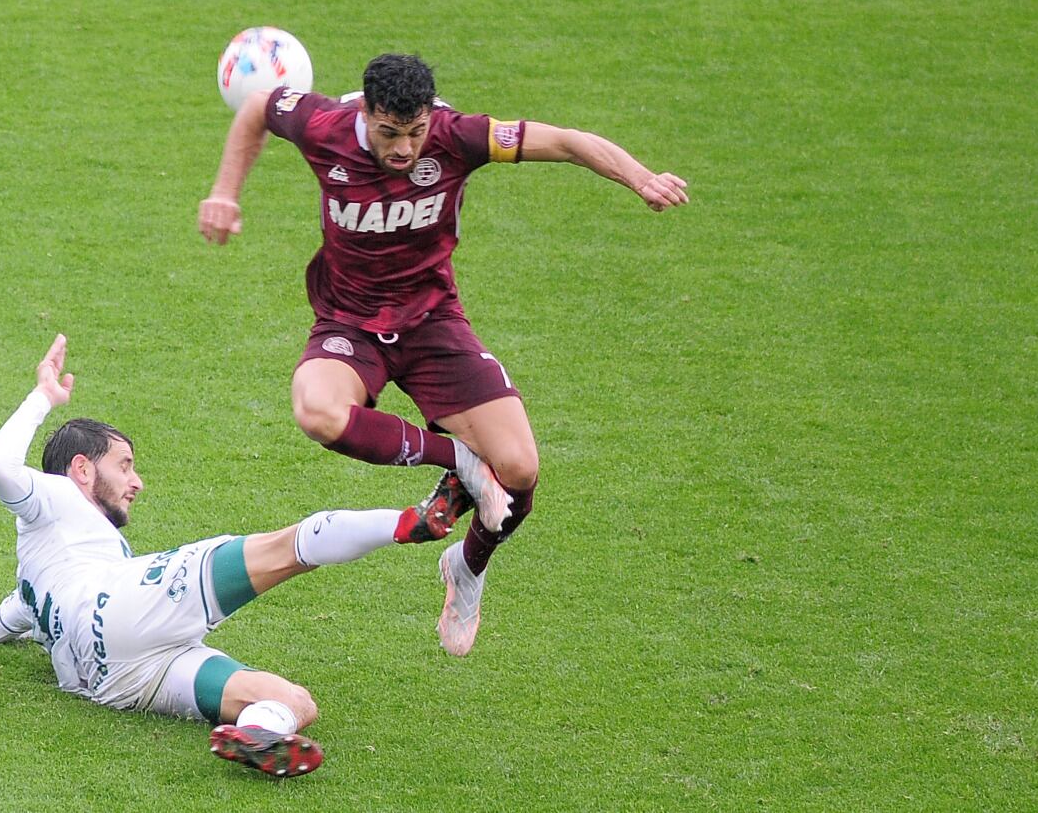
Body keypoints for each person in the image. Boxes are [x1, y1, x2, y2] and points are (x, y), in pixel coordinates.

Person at [197, 54, 689, 656]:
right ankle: (460, 461)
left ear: (430, 116)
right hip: (350, 324)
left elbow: (564, 141)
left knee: (520, 471)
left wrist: (640, 178)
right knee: (317, 411)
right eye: (389, 133)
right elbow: (256, 105)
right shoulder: (323, 125)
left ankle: (466, 567)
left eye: (415, 131)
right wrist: (224, 193)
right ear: (365, 114)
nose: (404, 149)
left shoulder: (460, 137)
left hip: (433, 323)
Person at [0, 334, 459, 778]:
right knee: (285, 549)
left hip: (113, 679)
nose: (136, 482)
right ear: (81, 469)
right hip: (116, 609)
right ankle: (412, 521)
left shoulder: (37, 576)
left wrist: (2, 633)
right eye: (124, 466)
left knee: (293, 700)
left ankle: (259, 733)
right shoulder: (58, 493)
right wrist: (44, 396)